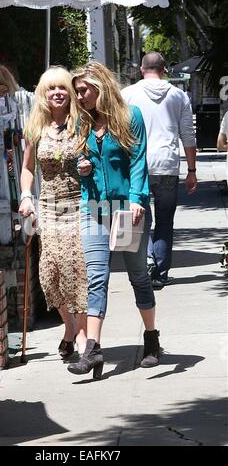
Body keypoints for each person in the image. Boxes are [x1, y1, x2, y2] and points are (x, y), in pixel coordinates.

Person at [67, 61, 160, 380]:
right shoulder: (81, 121)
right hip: (93, 207)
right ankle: (92, 349)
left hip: (124, 209)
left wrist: (136, 199)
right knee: (96, 276)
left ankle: (151, 338)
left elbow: (138, 161)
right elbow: (79, 158)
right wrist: (79, 166)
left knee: (137, 274)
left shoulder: (129, 116)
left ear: (100, 87)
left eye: (83, 91)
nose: (79, 97)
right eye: (76, 91)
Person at [19, 66, 88, 359]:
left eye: (62, 88)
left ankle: (84, 337)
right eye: (51, 88)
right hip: (48, 206)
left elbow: (96, 158)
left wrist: (88, 167)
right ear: (43, 94)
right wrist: (25, 195)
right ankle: (69, 325)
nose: (57, 93)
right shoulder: (36, 129)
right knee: (50, 273)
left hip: (79, 204)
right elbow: (27, 169)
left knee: (78, 270)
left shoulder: (82, 124)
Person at [121, 52, 197, 288]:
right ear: (164, 70)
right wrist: (192, 170)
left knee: (135, 219)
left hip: (135, 165)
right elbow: (188, 135)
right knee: (165, 221)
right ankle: (160, 273)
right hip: (166, 163)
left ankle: (140, 269)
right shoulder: (178, 96)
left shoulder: (127, 94)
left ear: (142, 70)